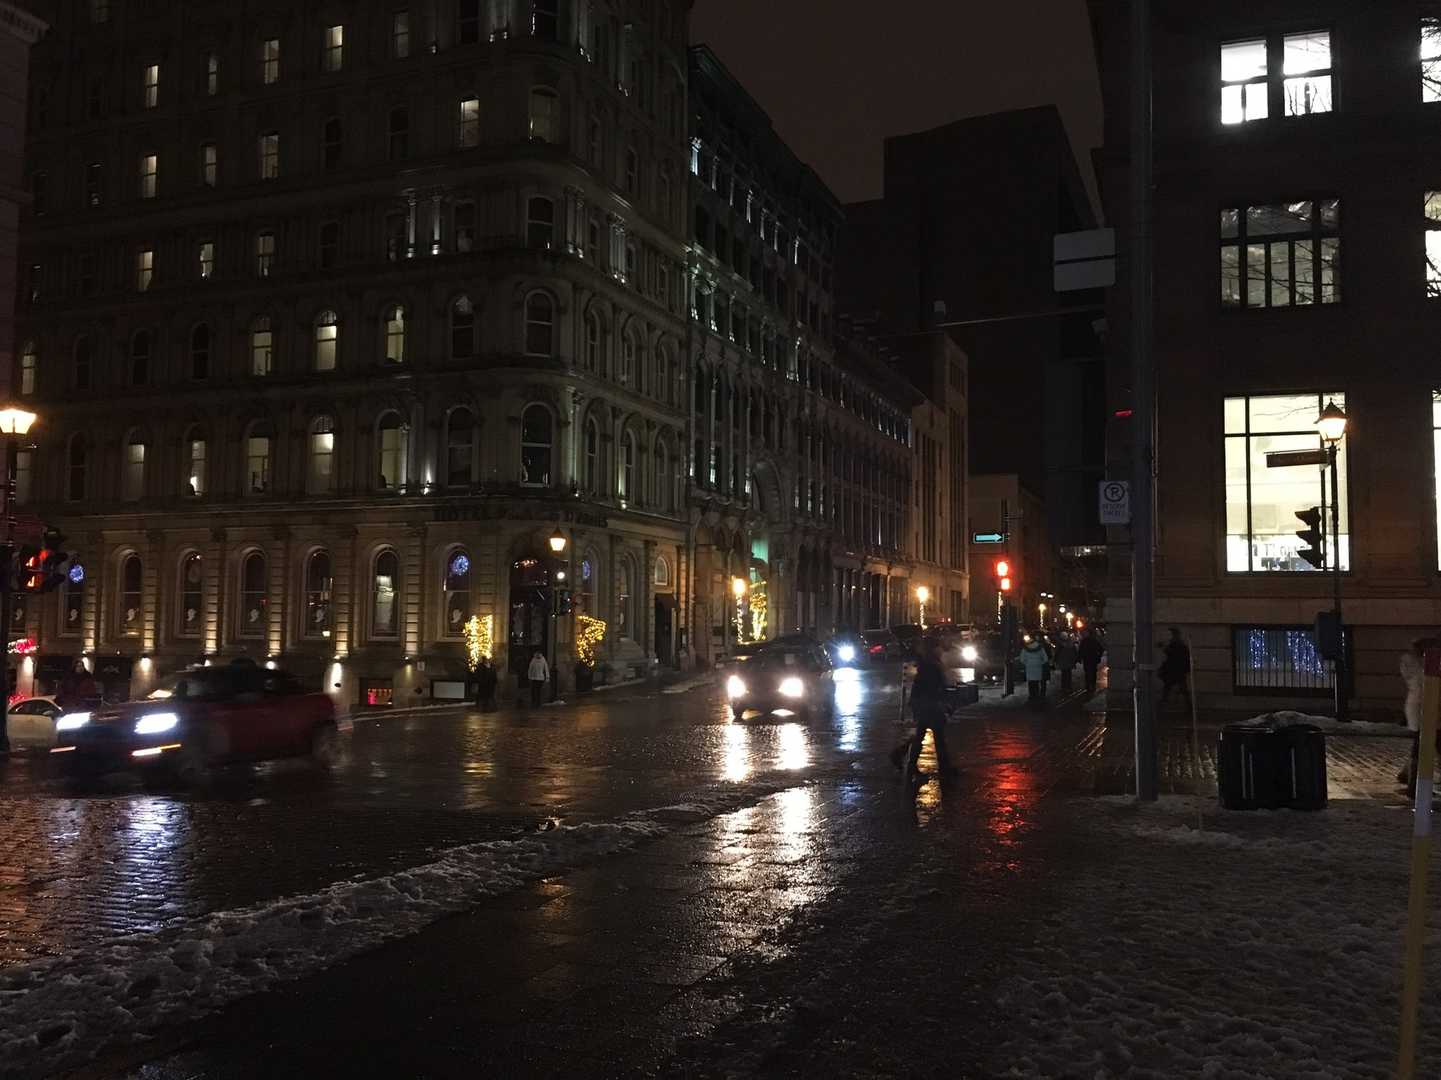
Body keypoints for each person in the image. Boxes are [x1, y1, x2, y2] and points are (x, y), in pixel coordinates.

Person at [890, 637, 954, 780]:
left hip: (925, 704)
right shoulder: (930, 665)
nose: (941, 650)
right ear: (934, 649)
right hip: (928, 704)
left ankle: (903, 758)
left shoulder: (928, 663)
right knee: (936, 736)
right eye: (938, 647)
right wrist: (942, 702)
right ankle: (943, 768)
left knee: (921, 735)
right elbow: (932, 687)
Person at [1158, 627, 1192, 708]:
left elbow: (1172, 654)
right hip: (1176, 671)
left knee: (1172, 689)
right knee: (1172, 689)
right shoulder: (1177, 644)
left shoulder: (1178, 645)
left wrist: (1164, 647)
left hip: (1176, 671)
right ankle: (1189, 707)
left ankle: (1189, 707)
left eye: (1171, 635)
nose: (1170, 637)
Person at [1021, 634, 1050, 704]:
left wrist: (1027, 663)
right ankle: (1036, 696)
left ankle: (1031, 696)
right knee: (1036, 682)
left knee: (1031, 683)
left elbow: (1022, 659)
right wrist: (1040, 663)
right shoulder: (1040, 648)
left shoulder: (1025, 648)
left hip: (1029, 668)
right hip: (1038, 667)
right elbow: (1045, 659)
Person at [1078, 629, 1105, 695]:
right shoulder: (1094, 640)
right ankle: (1092, 685)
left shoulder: (1084, 641)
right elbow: (1101, 649)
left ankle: (1088, 686)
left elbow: (1080, 650)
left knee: (1088, 672)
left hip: (1087, 659)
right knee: (1093, 672)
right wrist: (1098, 656)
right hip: (1093, 659)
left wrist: (1080, 658)